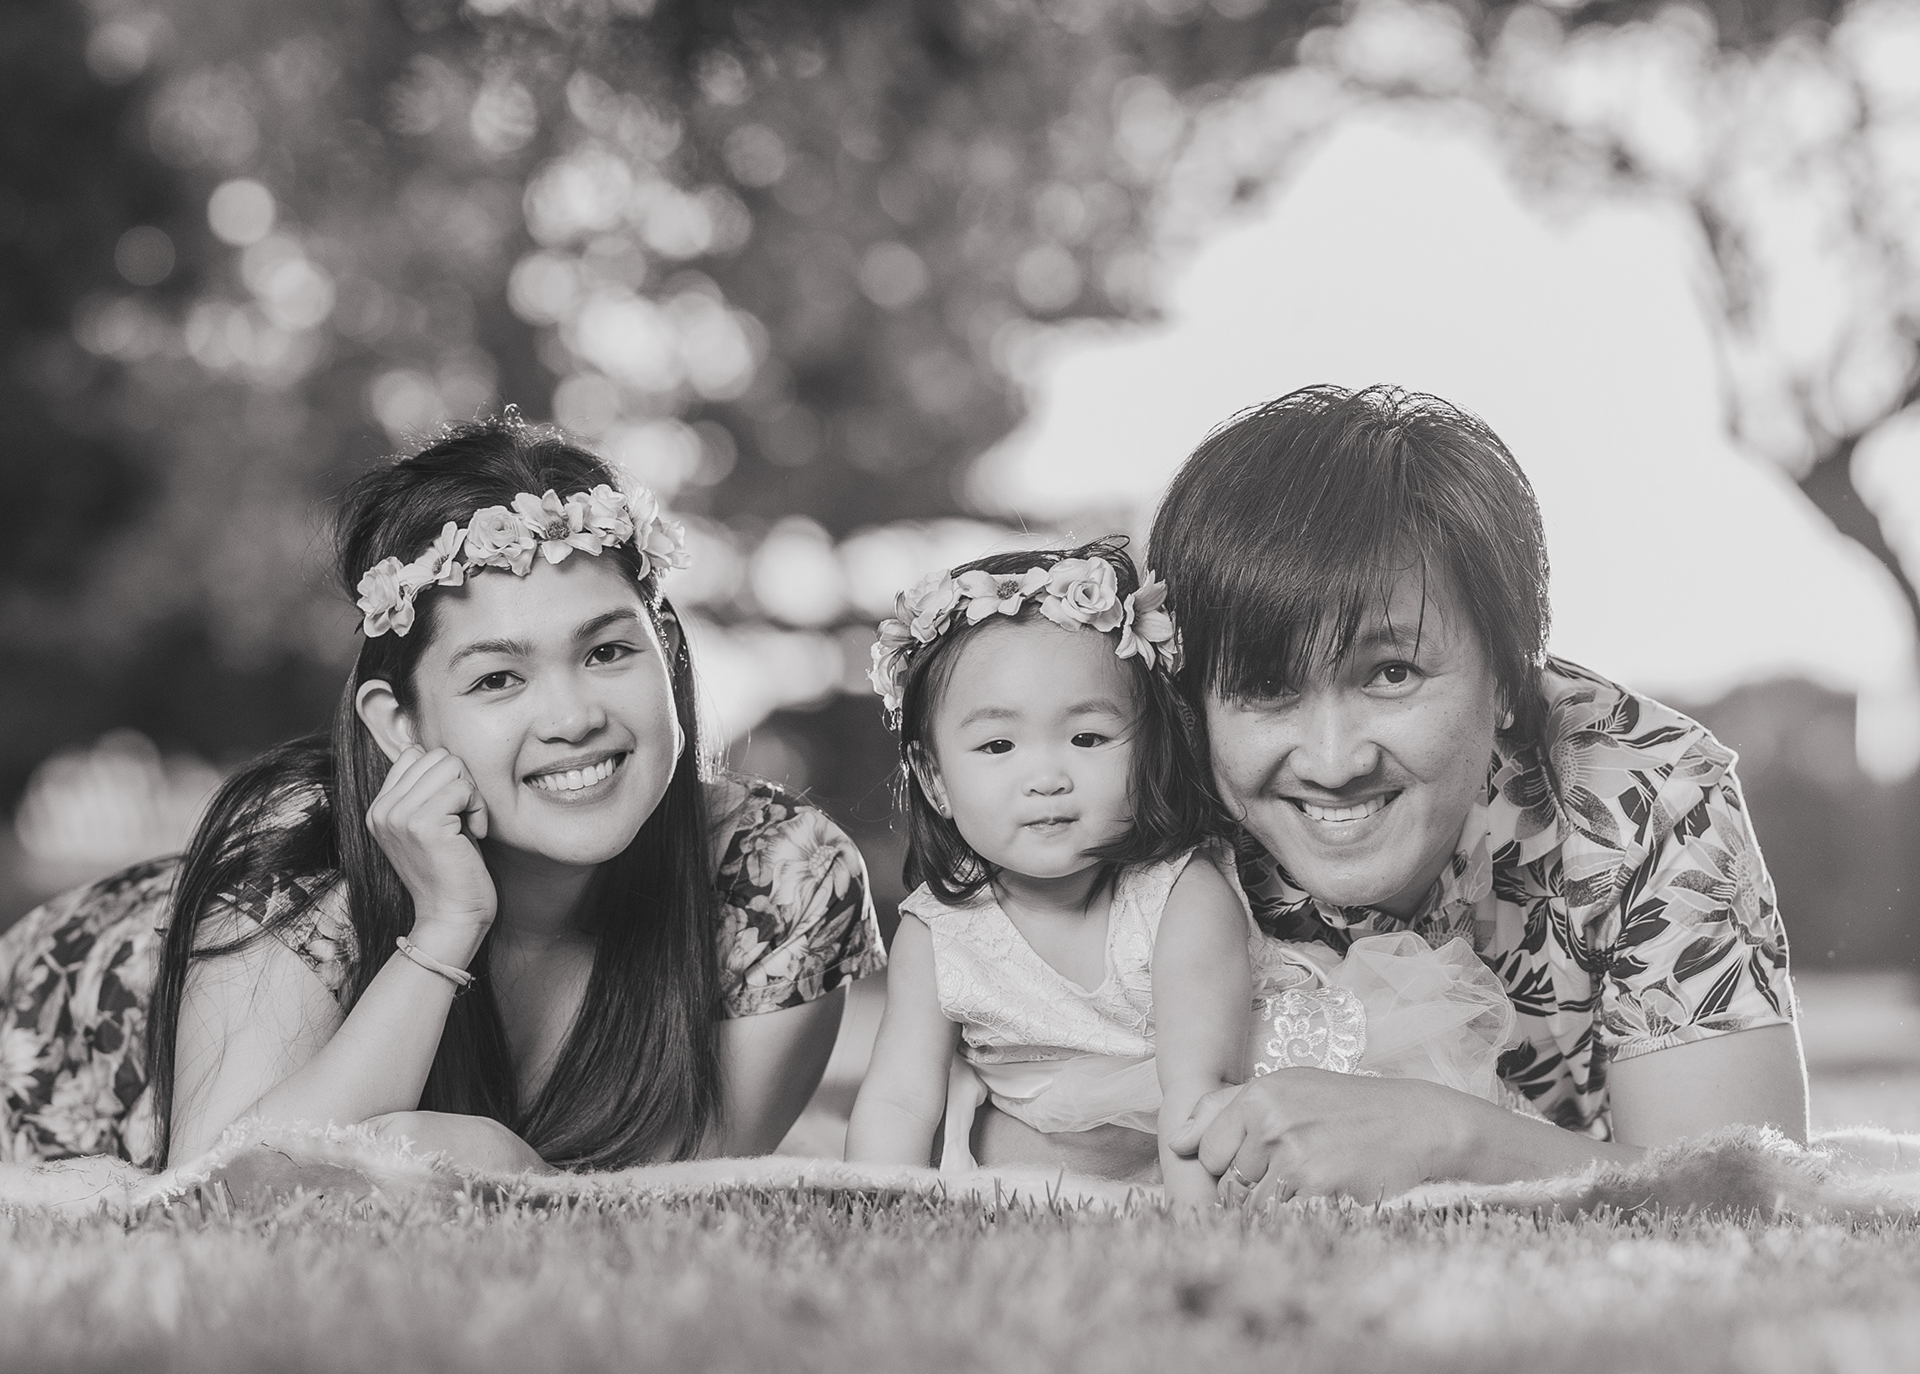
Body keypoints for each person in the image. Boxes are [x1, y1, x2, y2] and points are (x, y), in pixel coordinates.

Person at [0, 419, 883, 1172]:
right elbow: (220, 1192)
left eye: (608, 652)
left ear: (669, 656)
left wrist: (502, 1166)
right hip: (51, 1027)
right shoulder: (296, 861)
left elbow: (676, 1193)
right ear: (399, 725)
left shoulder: (779, 881)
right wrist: (445, 926)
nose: (574, 718)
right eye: (498, 678)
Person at [1152, 384, 1808, 1204]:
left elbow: (1754, 1188)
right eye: (1264, 687)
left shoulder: (1645, 791)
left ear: (1505, 674)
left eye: (1392, 673)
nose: (1332, 760)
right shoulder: (1116, 781)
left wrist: (1446, 1136)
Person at [843, 540, 1526, 1208]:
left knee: (1320, 1188)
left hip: (1254, 1098)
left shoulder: (1179, 895)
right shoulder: (937, 933)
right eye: (998, 745)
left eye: (1087, 738)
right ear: (933, 779)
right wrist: (872, 1206)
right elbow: (900, 1096)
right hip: (1098, 1142)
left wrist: (1193, 1230)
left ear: (1150, 752)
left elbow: (1200, 1092)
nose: (1046, 777)